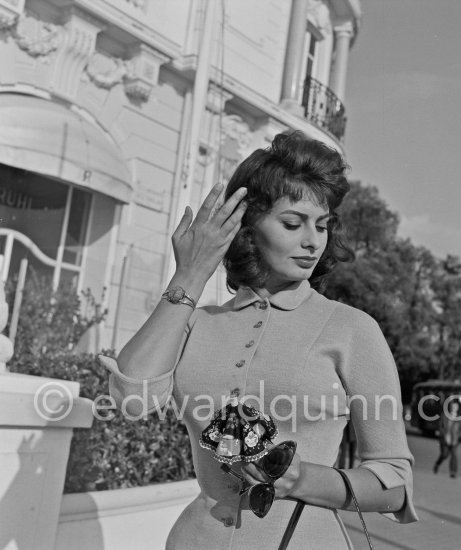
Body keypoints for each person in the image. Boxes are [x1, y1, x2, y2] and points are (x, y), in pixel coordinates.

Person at [100, 132, 418, 549]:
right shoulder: (198, 324)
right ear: (247, 227)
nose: (312, 242)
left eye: (321, 226)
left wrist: (303, 478)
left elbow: (394, 485)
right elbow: (131, 399)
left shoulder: (351, 328)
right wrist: (190, 274)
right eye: (292, 223)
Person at [433, 397, 461, 478]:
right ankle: (437, 464)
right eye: (453, 406)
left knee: (454, 455)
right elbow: (440, 427)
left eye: (456, 406)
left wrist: (458, 436)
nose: (454, 408)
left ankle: (453, 472)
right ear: (450, 407)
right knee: (444, 455)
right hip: (445, 439)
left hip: (454, 440)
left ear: (458, 408)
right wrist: (443, 435)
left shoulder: (459, 418)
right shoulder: (445, 415)